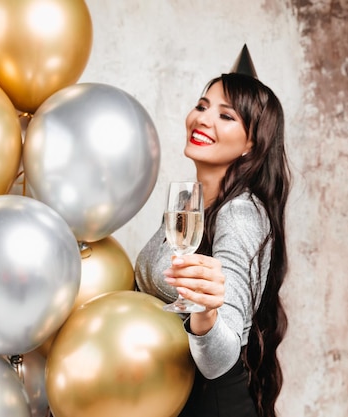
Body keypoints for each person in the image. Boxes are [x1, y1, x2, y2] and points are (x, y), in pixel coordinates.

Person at [135, 51, 291, 417]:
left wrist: (205, 313)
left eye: (225, 115)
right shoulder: (190, 203)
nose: (202, 119)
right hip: (173, 399)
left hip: (212, 406)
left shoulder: (240, 214)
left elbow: (219, 360)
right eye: (201, 106)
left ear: (252, 143)